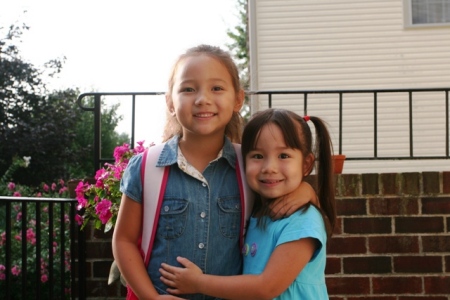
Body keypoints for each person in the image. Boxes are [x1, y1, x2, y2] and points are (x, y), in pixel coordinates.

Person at [112, 45, 317, 300]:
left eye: (217, 88)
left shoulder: (251, 166)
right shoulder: (146, 167)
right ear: (170, 102)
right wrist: (151, 298)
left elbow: (290, 204)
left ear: (238, 100)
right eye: (188, 89)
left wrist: (306, 191)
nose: (202, 99)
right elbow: (124, 241)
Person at [160, 108, 336, 300]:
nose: (269, 168)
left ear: (306, 164)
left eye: (283, 156)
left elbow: (266, 287)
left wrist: (198, 283)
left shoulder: (303, 221)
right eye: (258, 156)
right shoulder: (255, 210)